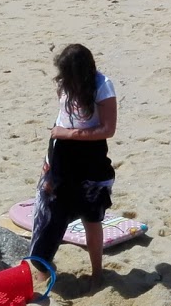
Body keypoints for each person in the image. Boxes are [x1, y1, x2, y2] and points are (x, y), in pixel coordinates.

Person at [32, 44, 118, 291]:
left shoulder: (102, 86)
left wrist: (69, 134)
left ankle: (97, 274)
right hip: (62, 152)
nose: (62, 78)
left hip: (90, 156)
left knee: (91, 216)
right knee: (50, 212)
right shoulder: (64, 83)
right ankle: (41, 269)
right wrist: (50, 159)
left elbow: (107, 129)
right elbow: (62, 119)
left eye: (67, 74)